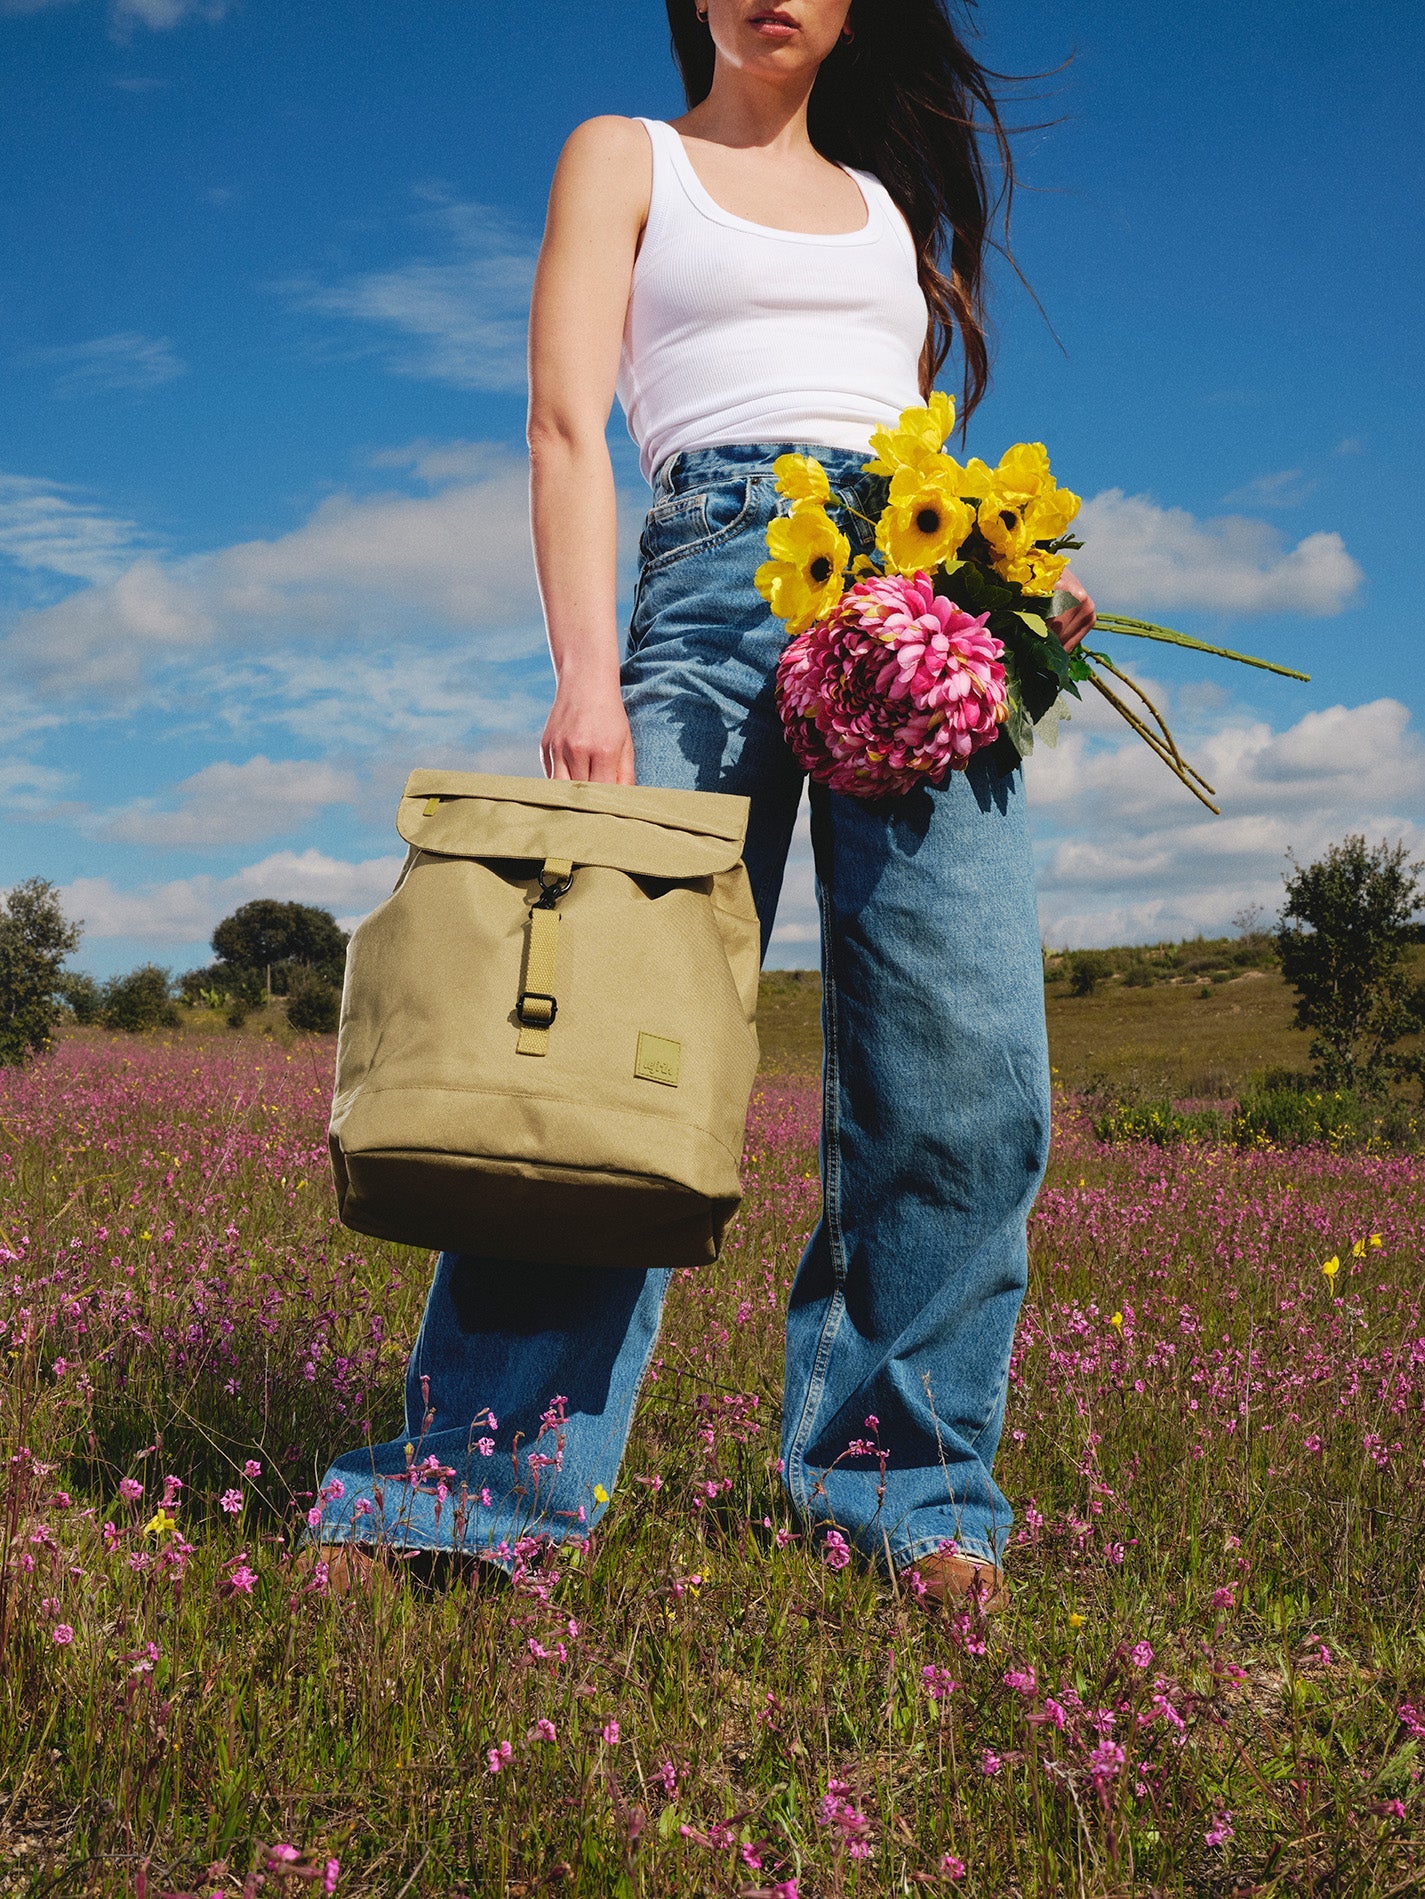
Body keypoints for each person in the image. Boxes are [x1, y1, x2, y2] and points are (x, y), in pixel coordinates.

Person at [307, 0, 1095, 1608]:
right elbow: (560, 422)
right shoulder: (628, 154)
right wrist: (584, 681)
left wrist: (1017, 591)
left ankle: (909, 1496)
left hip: (921, 574)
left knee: (959, 1058)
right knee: (594, 1053)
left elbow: (905, 436)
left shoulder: (886, 204)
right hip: (708, 583)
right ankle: (477, 1491)